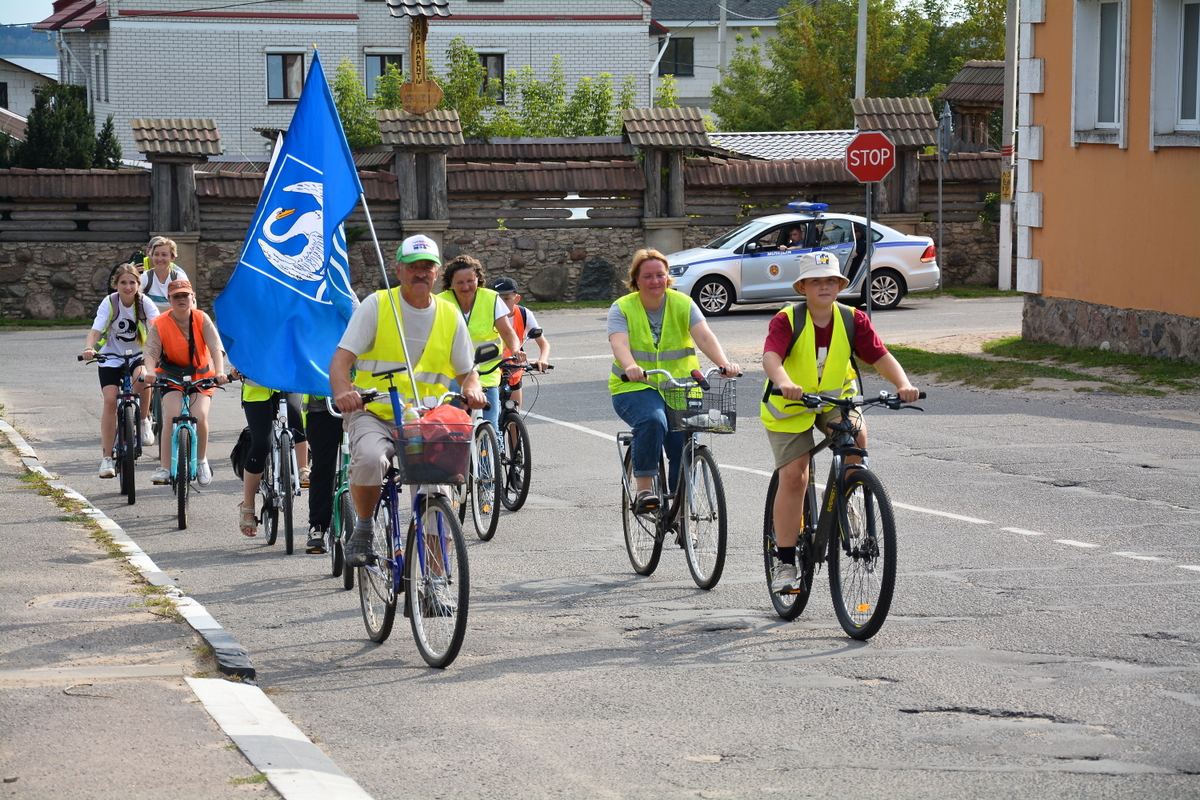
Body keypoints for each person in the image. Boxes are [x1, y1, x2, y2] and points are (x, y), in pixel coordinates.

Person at [761, 251, 919, 593]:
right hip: (791, 405)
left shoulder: (852, 319)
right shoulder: (788, 319)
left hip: (835, 400)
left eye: (831, 280)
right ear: (802, 287)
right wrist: (784, 382)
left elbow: (879, 356)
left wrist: (903, 384)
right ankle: (785, 562)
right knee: (795, 475)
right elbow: (771, 356)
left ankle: (846, 502)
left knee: (855, 437)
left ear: (840, 285)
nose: (824, 286)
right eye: (816, 281)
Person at [330, 234, 486, 568]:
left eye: (427, 267)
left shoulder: (449, 314)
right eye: (413, 266)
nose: (421, 273)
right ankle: (364, 527)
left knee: (438, 489)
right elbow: (341, 361)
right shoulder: (377, 305)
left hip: (427, 420)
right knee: (370, 459)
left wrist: (473, 389)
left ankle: (436, 581)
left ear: (437, 273)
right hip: (376, 413)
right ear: (398, 269)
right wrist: (343, 392)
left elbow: (467, 372)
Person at [607, 248, 740, 513]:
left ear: (668, 276)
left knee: (683, 445)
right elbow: (619, 343)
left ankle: (680, 511)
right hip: (635, 385)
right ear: (636, 279)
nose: (655, 281)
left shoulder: (683, 303)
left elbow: (704, 337)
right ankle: (645, 489)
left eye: (660, 275)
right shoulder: (622, 307)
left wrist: (723, 363)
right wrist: (631, 366)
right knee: (653, 420)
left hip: (680, 386)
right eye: (647, 276)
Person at [140, 279, 228, 487]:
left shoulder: (201, 318)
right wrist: (150, 371)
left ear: (192, 297)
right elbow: (150, 352)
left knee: (200, 415)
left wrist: (220, 372)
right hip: (171, 376)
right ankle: (164, 467)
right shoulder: (160, 323)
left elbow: (216, 348)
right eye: (176, 296)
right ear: (169, 300)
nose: (181, 299)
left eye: (185, 295)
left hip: (201, 376)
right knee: (172, 415)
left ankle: (202, 461)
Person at [81, 263, 160, 478]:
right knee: (110, 401)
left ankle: (143, 421)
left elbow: (157, 326)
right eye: (123, 282)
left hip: (138, 354)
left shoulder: (144, 302)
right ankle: (107, 458)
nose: (128, 287)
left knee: (142, 378)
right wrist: (89, 348)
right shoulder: (110, 302)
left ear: (138, 284)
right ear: (116, 284)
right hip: (111, 357)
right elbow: (95, 331)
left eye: (132, 282)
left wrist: (160, 349)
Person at [436, 255, 523, 430]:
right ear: (450, 283)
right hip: (453, 374)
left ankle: (492, 444)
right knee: (454, 427)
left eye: (470, 281)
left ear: (478, 279)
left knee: (491, 426)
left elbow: (507, 332)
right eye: (460, 282)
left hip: (486, 373)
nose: (466, 286)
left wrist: (515, 350)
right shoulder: (440, 302)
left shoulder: (491, 299)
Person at [231, 375, 309, 538]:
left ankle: (303, 468)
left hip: (288, 378)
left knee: (296, 420)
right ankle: (248, 505)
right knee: (261, 443)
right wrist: (236, 365)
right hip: (256, 382)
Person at [490, 276, 550, 410]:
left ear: (517, 299)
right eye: (498, 299)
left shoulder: (524, 313)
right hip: (491, 369)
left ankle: (513, 423)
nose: (502, 303)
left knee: (514, 413)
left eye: (507, 299)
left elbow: (544, 344)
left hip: (513, 369)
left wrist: (543, 360)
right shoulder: (487, 314)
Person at [301, 395, 343, 553]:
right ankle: (317, 526)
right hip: (322, 408)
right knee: (322, 468)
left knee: (367, 465)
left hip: (363, 408)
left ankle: (366, 526)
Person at [140, 236, 189, 312]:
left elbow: (190, 302)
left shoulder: (179, 277)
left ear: (172, 257)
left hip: (174, 318)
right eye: (156, 254)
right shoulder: (144, 277)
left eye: (164, 255)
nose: (159, 259)